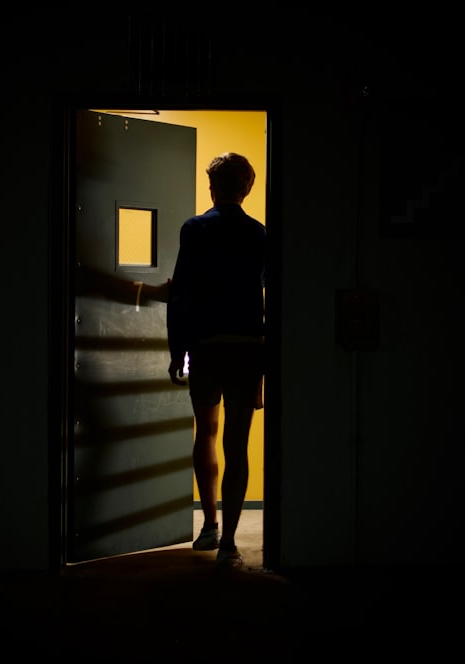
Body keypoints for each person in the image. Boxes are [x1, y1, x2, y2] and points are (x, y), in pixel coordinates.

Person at [167, 152, 266, 568]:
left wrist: (177, 350)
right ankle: (228, 543)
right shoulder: (260, 234)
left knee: (205, 432)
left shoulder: (195, 229)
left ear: (212, 186)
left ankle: (207, 526)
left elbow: (182, 295)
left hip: (205, 346)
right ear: (246, 188)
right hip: (247, 348)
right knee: (237, 444)